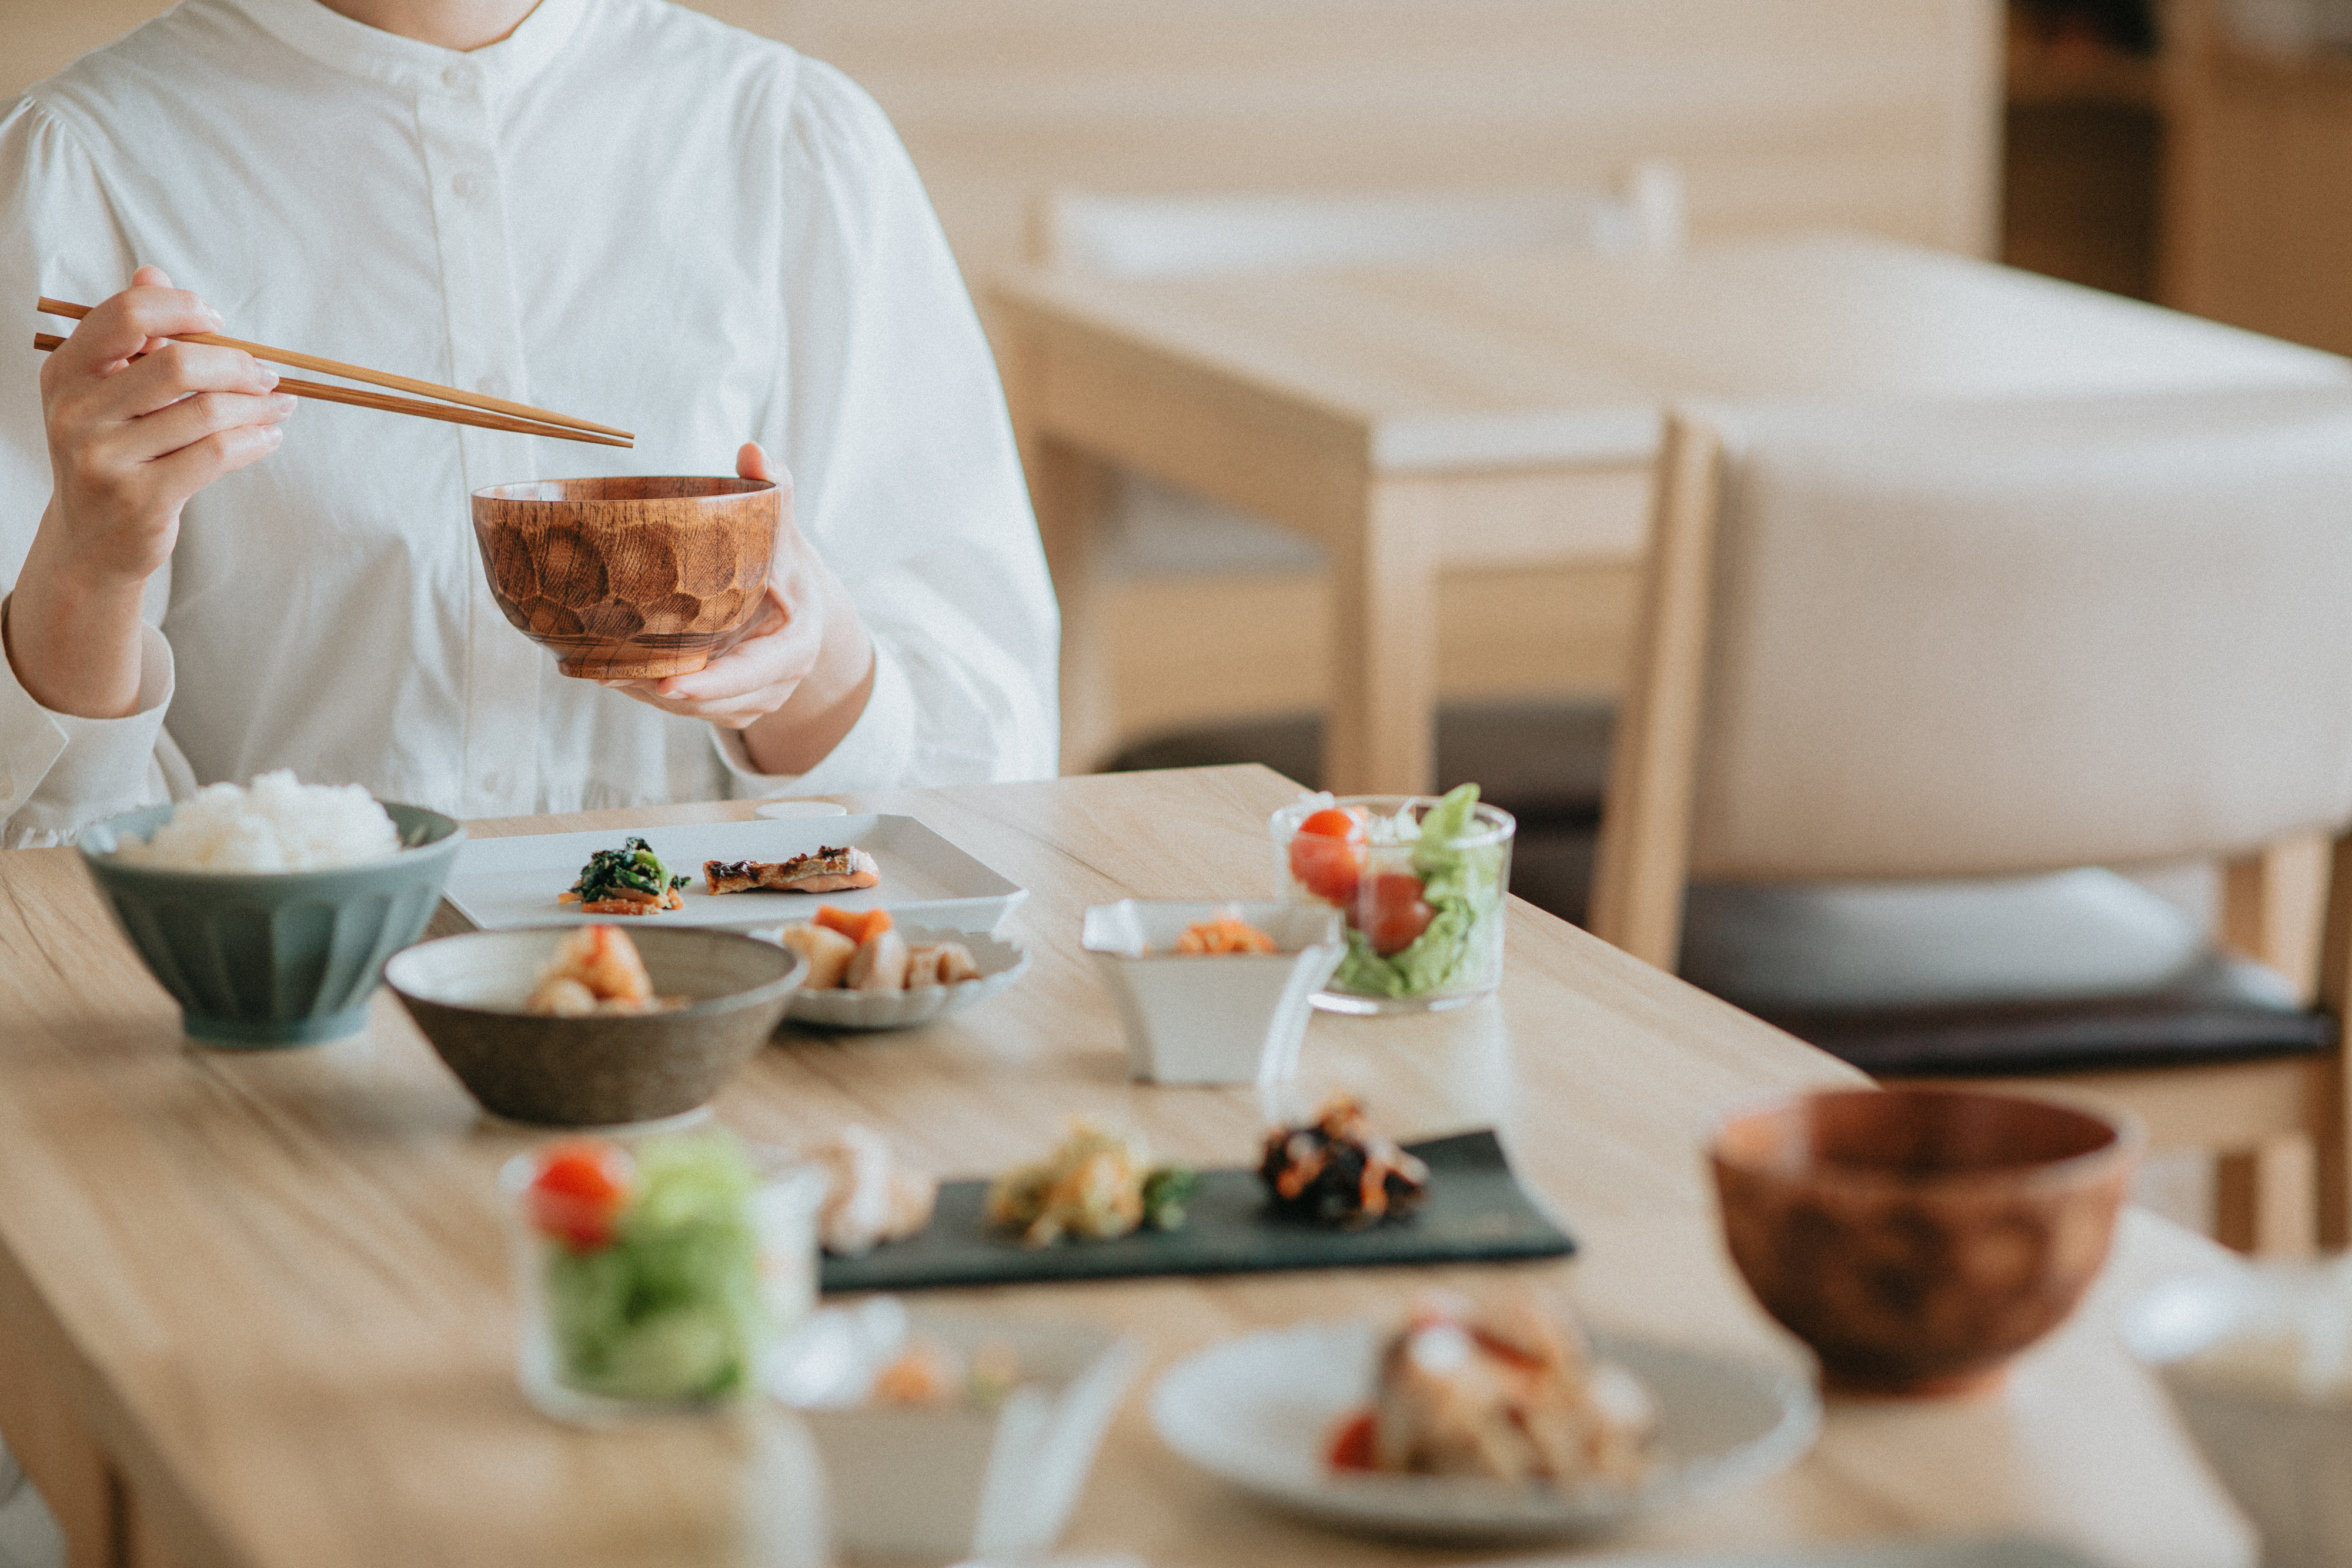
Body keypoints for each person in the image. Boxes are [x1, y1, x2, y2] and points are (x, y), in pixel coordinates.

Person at [0, 0, 1060, 851]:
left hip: (710, 1003)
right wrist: (89, 574)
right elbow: (50, 862)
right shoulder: (84, 160)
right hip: (268, 1026)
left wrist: (809, 662)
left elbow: (993, 769)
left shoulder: (783, 135)